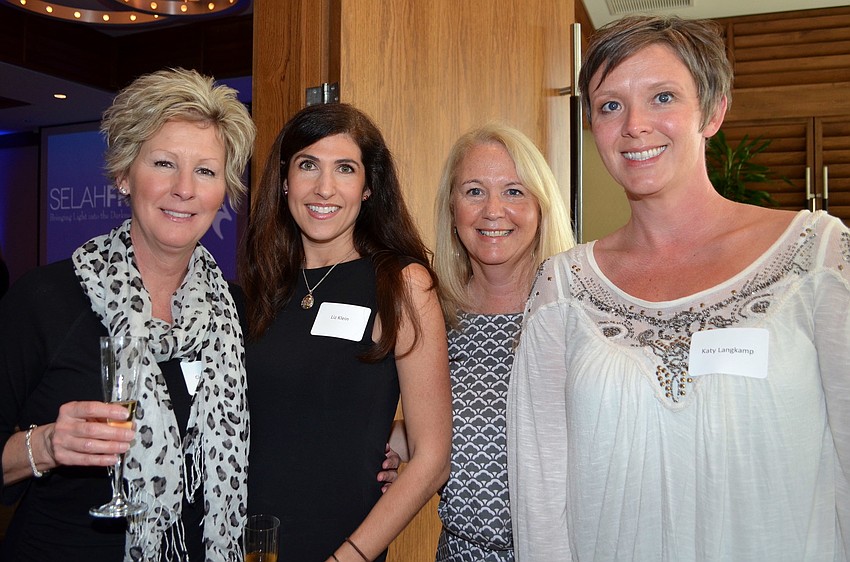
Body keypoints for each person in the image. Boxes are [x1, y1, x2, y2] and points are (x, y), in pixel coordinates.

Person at [507, 15, 850, 561]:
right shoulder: (563, 288)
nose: (634, 125)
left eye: (663, 97)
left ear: (713, 111)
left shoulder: (816, 256)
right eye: (610, 105)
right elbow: (541, 496)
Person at [0, 68, 256, 562]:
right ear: (123, 174)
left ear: (223, 191)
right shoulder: (46, 300)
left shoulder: (238, 313)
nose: (184, 188)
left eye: (205, 170)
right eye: (164, 163)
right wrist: (47, 445)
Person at [241, 103, 452, 562]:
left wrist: (348, 558)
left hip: (343, 548)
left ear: (368, 186)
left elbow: (432, 458)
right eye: (308, 165)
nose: (324, 187)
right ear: (283, 179)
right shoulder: (257, 289)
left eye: (345, 168)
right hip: (243, 544)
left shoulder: (401, 284)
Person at [428, 123, 574, 560]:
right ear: (451, 209)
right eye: (474, 191)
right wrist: (405, 440)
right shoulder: (432, 313)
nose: (493, 210)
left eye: (513, 191)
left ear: (541, 205)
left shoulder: (576, 307)